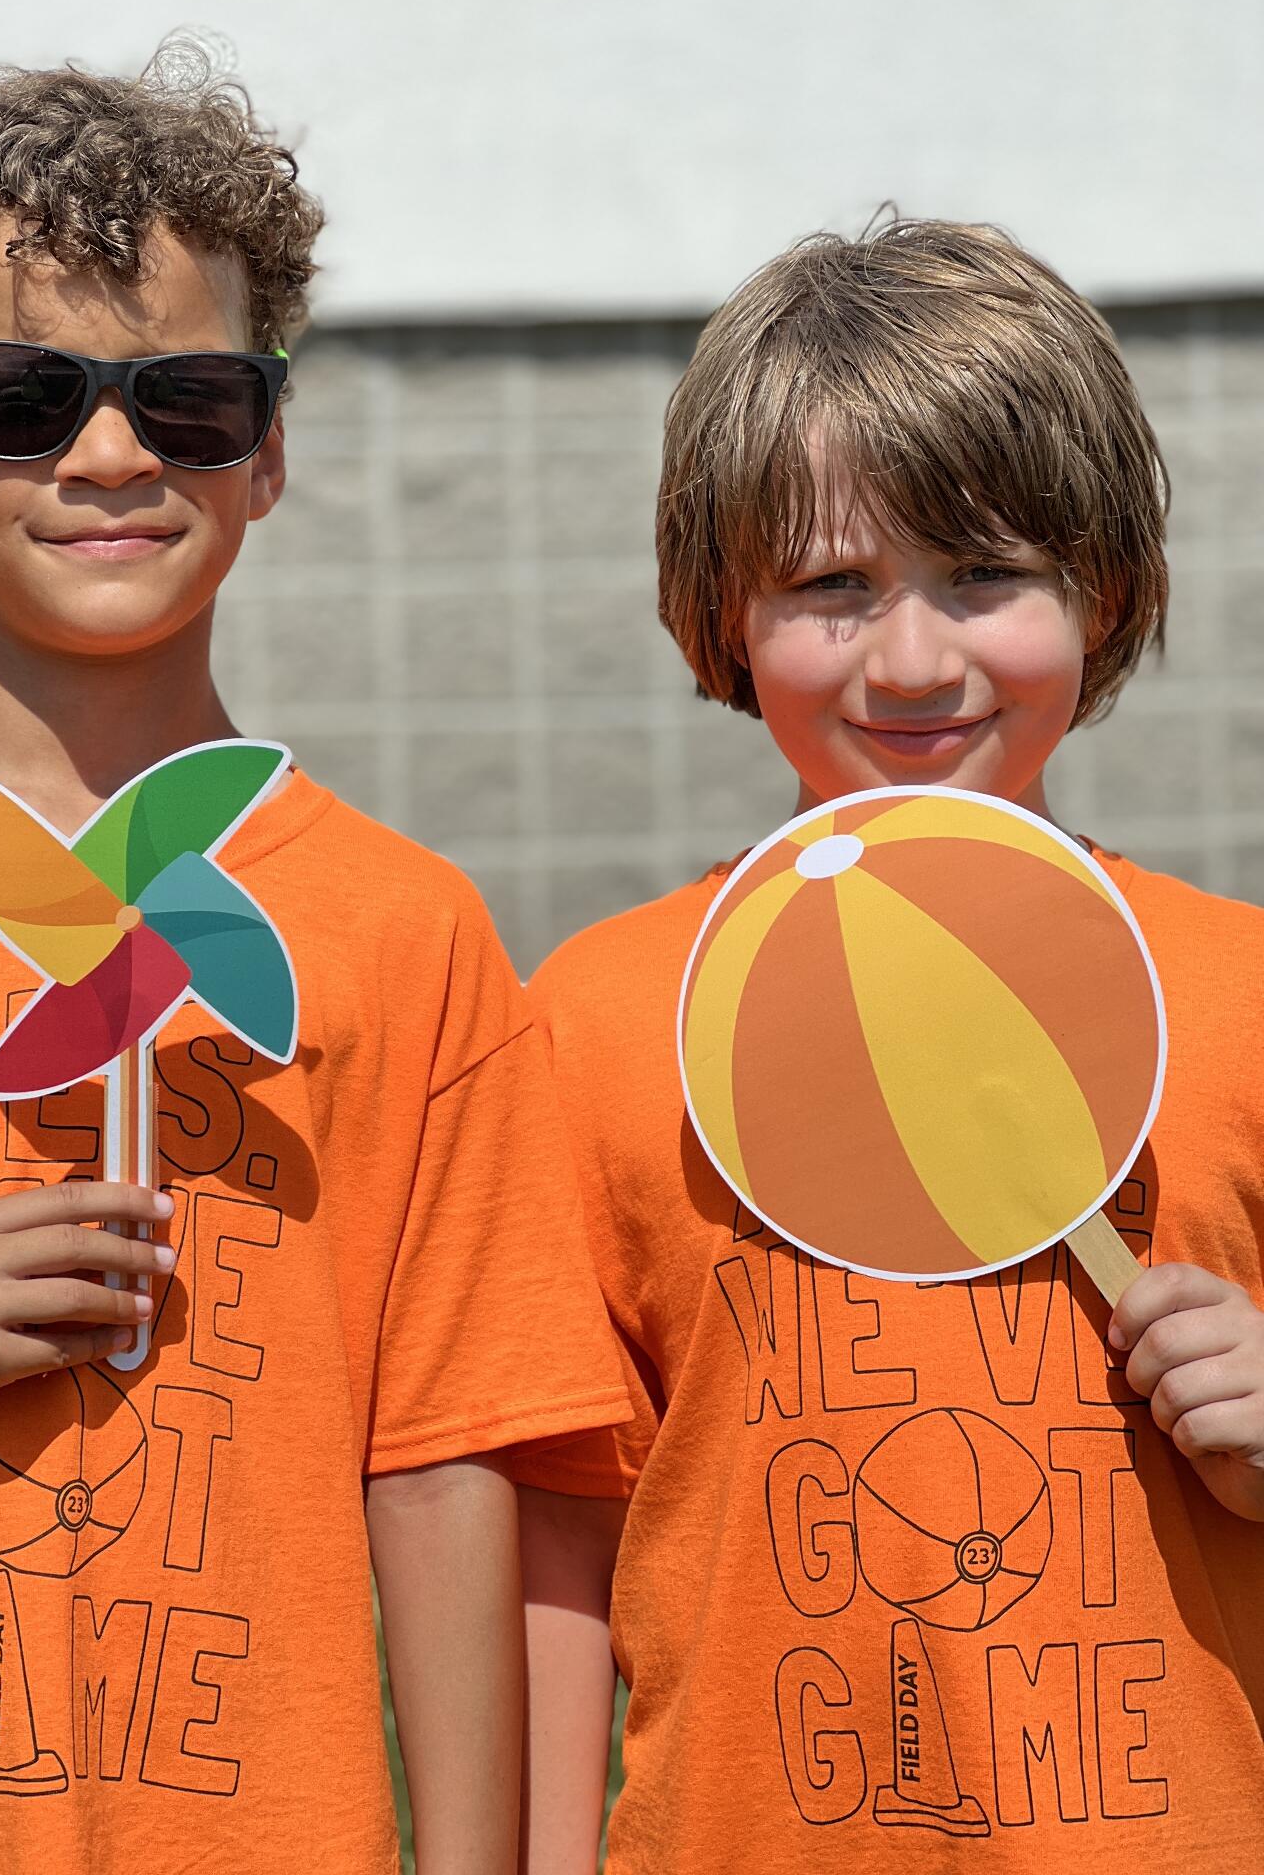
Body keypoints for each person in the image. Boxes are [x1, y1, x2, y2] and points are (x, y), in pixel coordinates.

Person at [0, 44, 629, 1875]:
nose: (108, 454)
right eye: (18, 394)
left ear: (271, 452)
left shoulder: (405, 927)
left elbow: (449, 1455)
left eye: (191, 400)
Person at [514, 220, 1264, 1871]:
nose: (914, 659)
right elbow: (559, 1525)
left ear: (1107, 589)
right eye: (832, 588)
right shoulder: (591, 1022)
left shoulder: (1244, 996)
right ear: (725, 612)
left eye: (984, 576)